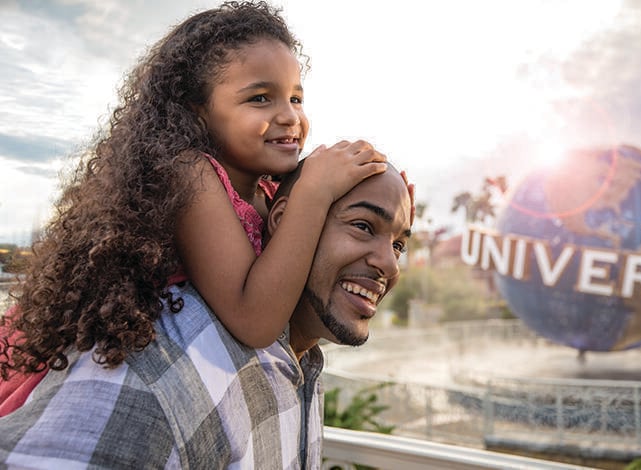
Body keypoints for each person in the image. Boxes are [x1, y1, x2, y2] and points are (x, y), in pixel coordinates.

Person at [0, 1, 389, 412]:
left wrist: (387, 211)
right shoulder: (190, 174)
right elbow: (255, 320)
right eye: (260, 98)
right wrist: (313, 192)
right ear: (196, 111)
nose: (289, 116)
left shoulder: (268, 192)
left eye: (295, 97)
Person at [0, 160, 413, 468]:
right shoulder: (167, 372)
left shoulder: (301, 366)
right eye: (362, 226)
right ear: (288, 219)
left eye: (398, 244)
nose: (391, 266)